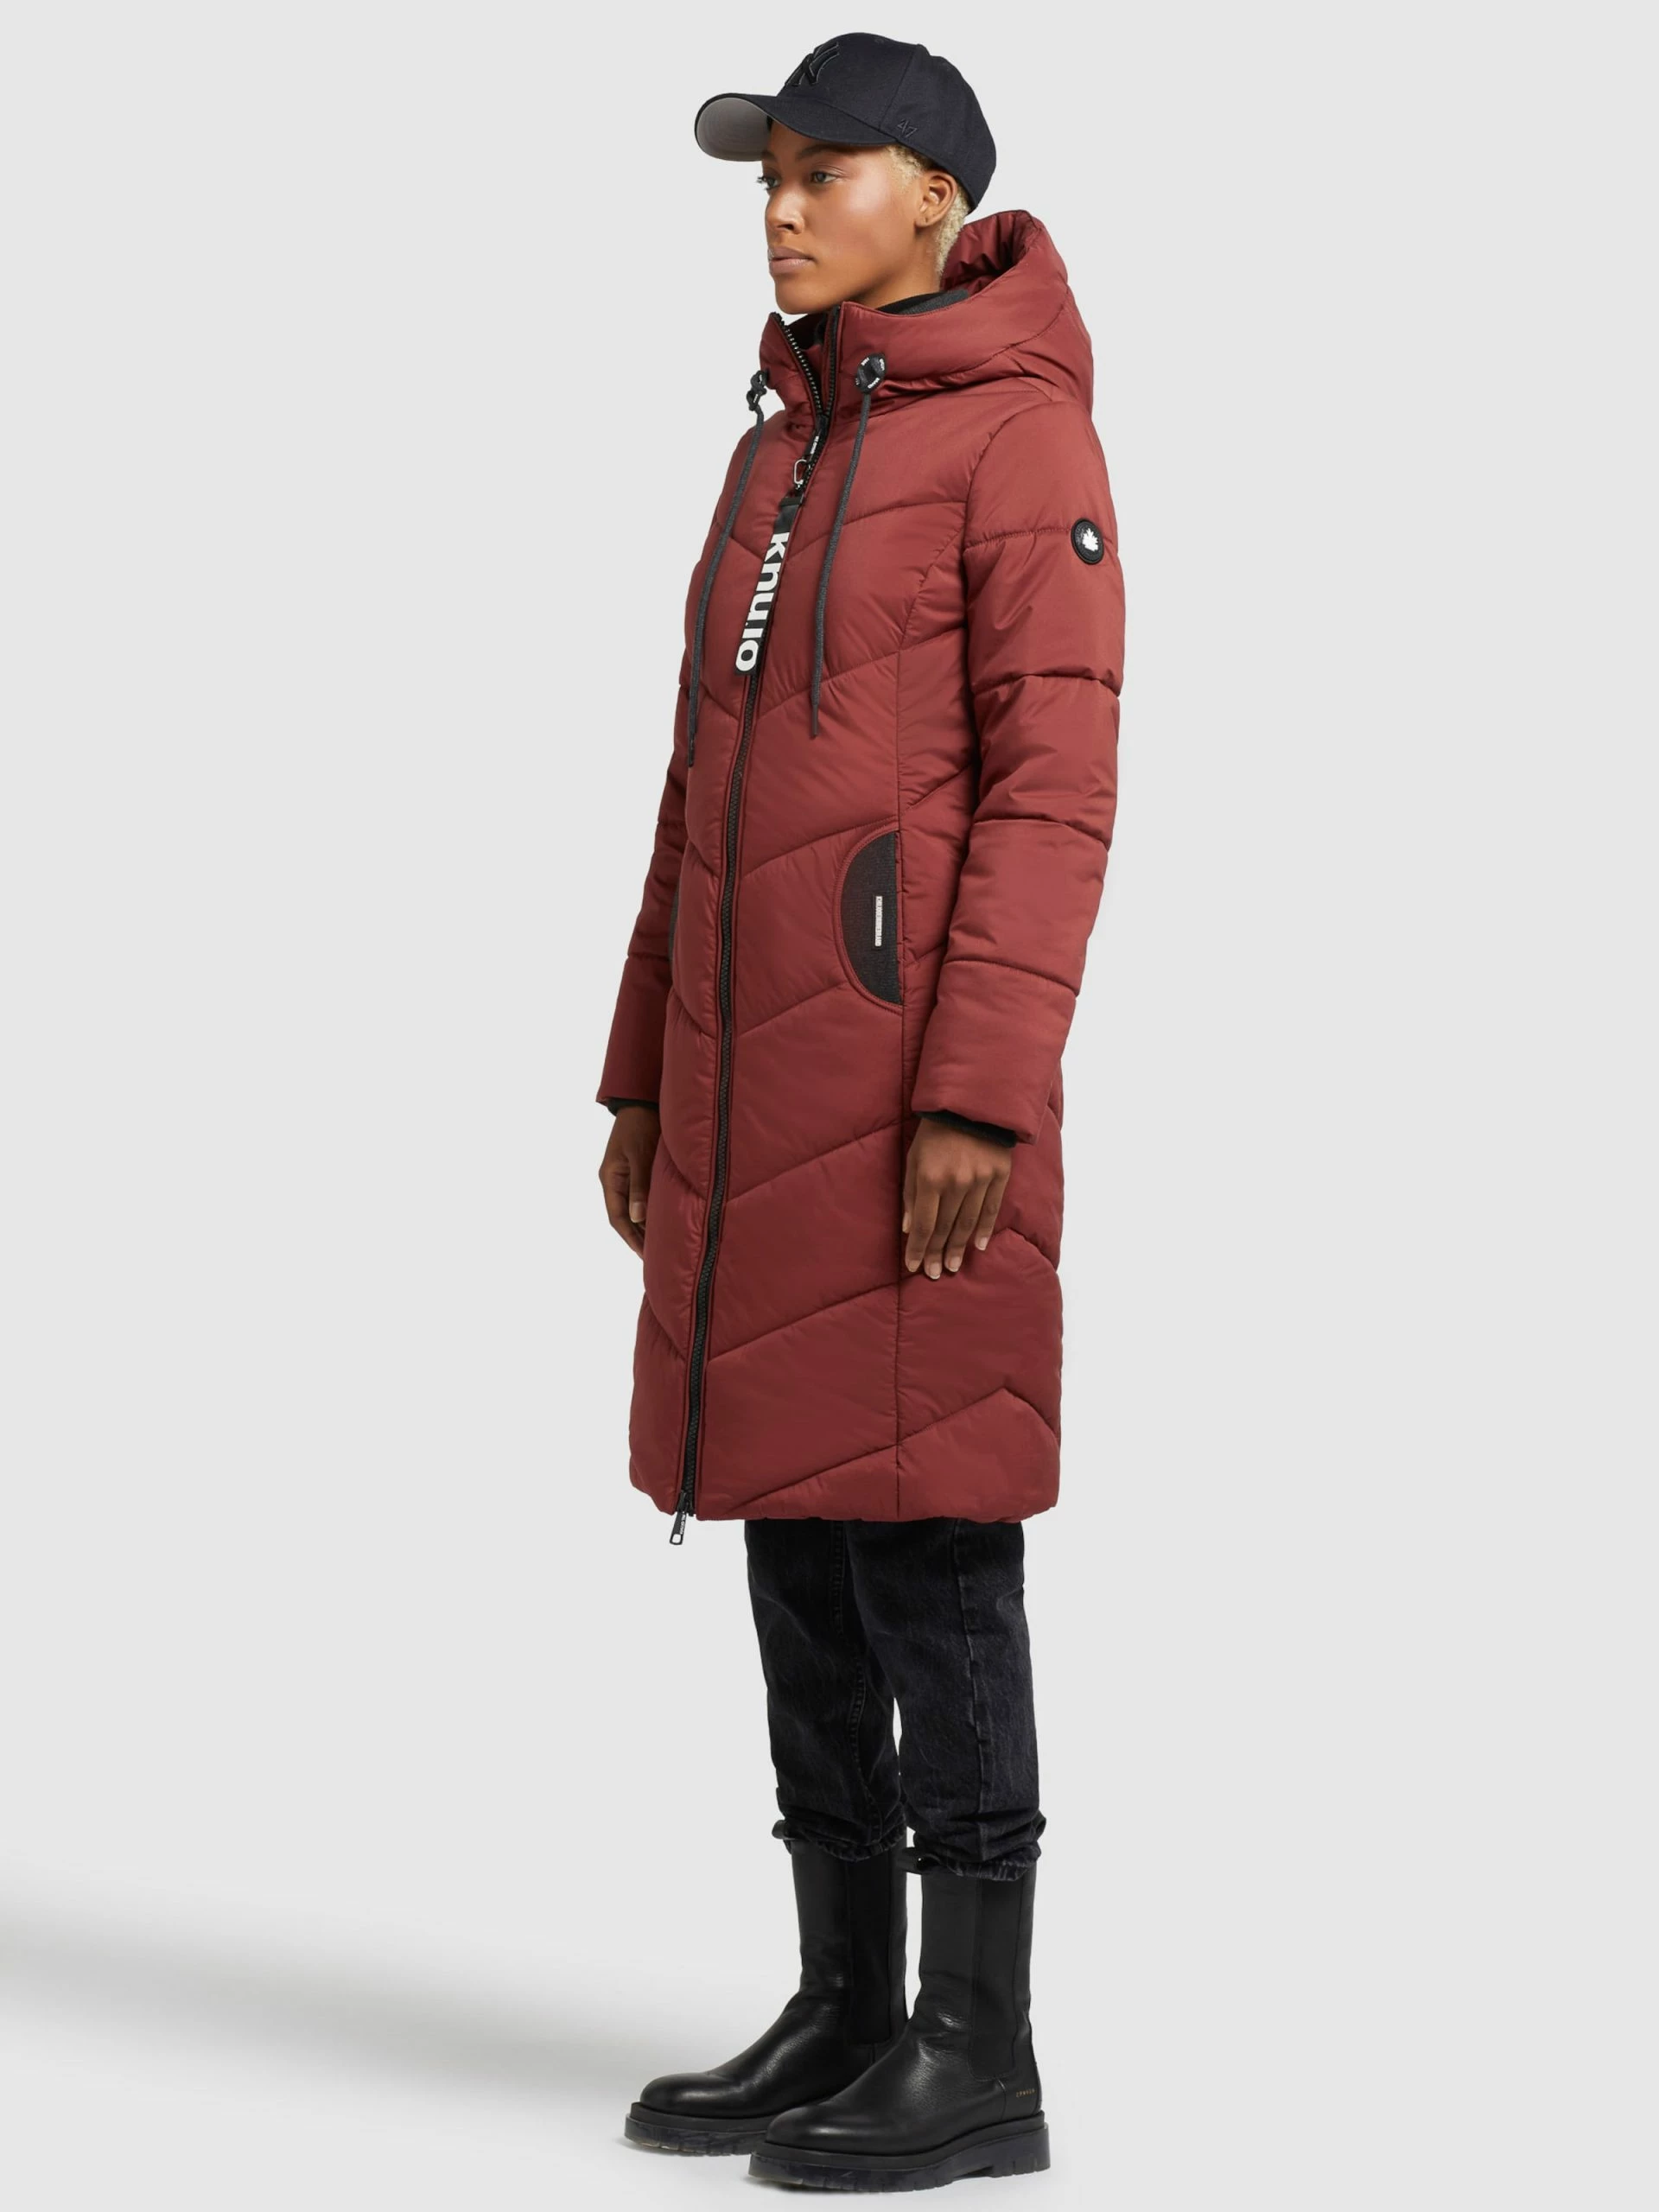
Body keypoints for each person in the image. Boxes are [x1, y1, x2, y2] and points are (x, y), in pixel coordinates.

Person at [595, 33, 1125, 2194]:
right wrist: (643, 1064)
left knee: (930, 1545)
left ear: (939, 196)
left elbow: (1056, 796)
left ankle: (977, 2044)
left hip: (911, 1094)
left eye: (828, 173)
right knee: (797, 1527)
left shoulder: (1020, 439)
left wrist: (980, 1092)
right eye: (771, 177)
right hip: (755, 1089)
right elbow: (698, 797)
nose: (784, 208)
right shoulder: (782, 445)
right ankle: (843, 1996)